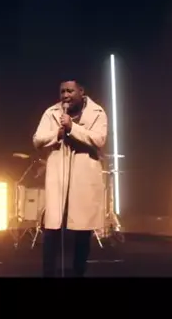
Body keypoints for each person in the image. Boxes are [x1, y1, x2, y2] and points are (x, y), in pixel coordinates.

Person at [32, 79, 107, 277]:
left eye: (70, 91)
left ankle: (78, 271)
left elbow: (99, 139)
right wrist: (57, 133)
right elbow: (37, 139)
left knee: (82, 228)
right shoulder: (51, 112)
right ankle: (48, 273)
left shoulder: (97, 112)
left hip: (84, 176)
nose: (65, 95)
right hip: (58, 175)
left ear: (81, 91)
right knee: (52, 228)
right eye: (62, 91)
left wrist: (73, 128)